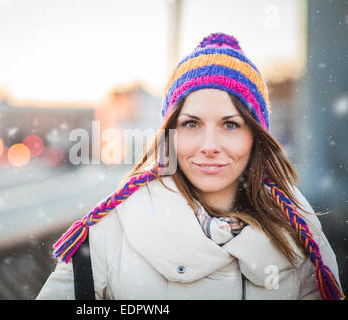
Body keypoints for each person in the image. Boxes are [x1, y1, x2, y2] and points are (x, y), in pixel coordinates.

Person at [36, 32, 344, 300]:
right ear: (169, 134)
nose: (209, 145)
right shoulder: (109, 233)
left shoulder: (300, 233)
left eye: (230, 124)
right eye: (191, 123)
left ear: (256, 137)